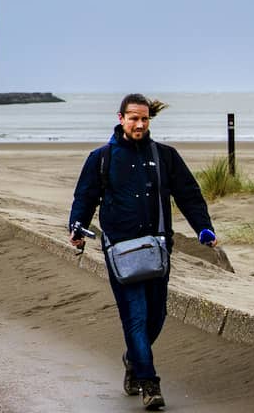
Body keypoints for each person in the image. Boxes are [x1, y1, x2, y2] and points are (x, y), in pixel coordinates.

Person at [68, 94, 218, 411]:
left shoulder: (165, 156)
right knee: (135, 318)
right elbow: (85, 197)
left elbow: (189, 195)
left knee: (156, 316)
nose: (139, 124)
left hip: (158, 248)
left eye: (144, 119)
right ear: (121, 118)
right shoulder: (102, 158)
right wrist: (77, 228)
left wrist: (203, 228)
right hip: (120, 251)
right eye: (133, 118)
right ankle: (149, 384)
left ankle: (133, 358)